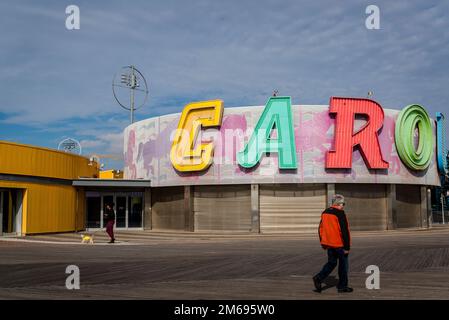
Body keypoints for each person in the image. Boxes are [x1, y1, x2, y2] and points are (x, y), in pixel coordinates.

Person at [313, 194, 353, 293]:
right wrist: (347, 247)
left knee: (332, 263)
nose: (343, 205)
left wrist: (323, 242)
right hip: (339, 245)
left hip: (329, 244)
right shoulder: (340, 213)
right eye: (343, 203)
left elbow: (320, 229)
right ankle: (342, 286)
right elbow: (344, 231)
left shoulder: (325, 212)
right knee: (343, 265)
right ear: (338, 203)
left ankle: (319, 278)